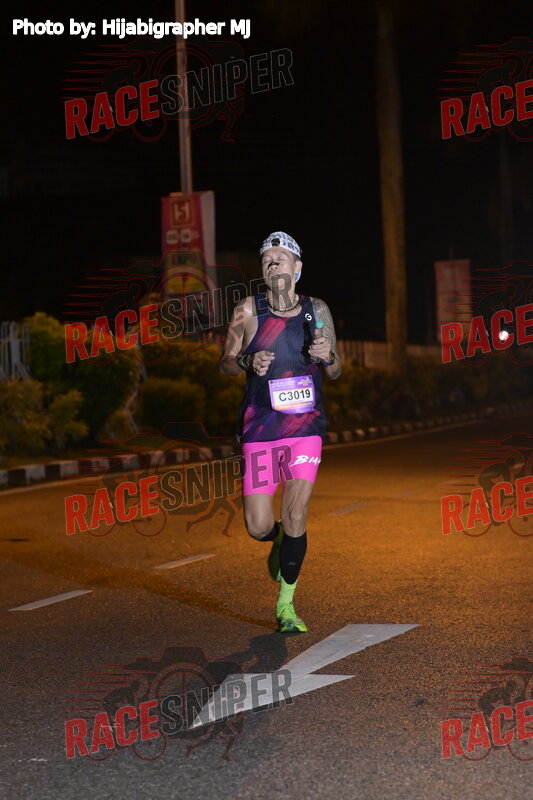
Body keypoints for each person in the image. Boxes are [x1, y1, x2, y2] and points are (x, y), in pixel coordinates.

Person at [220, 231, 342, 633]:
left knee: (295, 512)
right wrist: (246, 361)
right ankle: (276, 540)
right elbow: (225, 362)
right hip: (261, 428)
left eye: (281, 257)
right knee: (257, 525)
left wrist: (328, 357)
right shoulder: (247, 310)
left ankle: (286, 605)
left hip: (305, 427)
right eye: (267, 258)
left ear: (297, 268)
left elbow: (336, 369)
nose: (273, 263)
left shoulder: (316, 310)